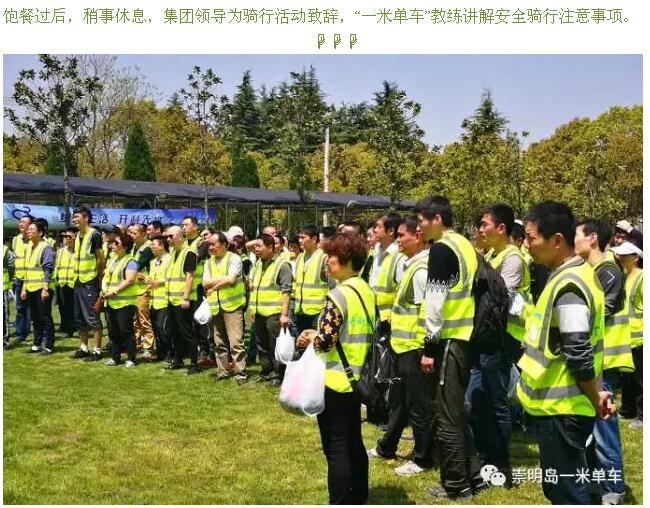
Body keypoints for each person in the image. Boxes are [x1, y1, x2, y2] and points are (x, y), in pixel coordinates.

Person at [516, 201, 610, 505]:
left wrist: (595, 396)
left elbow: (578, 351)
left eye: (531, 238)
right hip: (562, 406)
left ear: (556, 240)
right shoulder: (569, 275)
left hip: (562, 409)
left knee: (566, 491)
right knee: (564, 486)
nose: (526, 245)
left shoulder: (570, 284)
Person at [296, 232, 375, 505]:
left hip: (335, 380)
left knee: (336, 447)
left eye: (332, 256)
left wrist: (309, 337)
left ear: (347, 260)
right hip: (357, 376)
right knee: (354, 441)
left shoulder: (338, 295)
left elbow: (326, 342)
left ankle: (339, 500)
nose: (328, 261)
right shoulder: (365, 290)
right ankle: (359, 496)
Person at [415, 195, 485, 500]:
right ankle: (474, 476)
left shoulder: (442, 249)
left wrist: (429, 348)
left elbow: (435, 303)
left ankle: (457, 484)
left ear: (437, 219)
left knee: (446, 416)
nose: (418, 227)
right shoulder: (464, 245)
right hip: (464, 338)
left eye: (421, 221)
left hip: (448, 341)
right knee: (455, 412)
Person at [368, 215, 435, 476]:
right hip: (401, 345)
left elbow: (428, 314)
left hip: (413, 348)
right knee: (398, 401)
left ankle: (422, 458)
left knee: (418, 406)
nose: (398, 241)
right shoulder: (411, 265)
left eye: (401, 236)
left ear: (417, 237)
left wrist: (426, 350)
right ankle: (387, 446)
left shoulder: (421, 271)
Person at [472, 203, 532, 484]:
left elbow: (500, 296)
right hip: (486, 337)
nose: (480, 230)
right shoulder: (492, 254)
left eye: (485, 224)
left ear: (501, 228)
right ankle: (485, 453)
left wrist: (478, 263)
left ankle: (501, 464)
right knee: (478, 397)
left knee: (496, 399)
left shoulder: (513, 258)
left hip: (503, 338)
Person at [575, 219, 631, 504]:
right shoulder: (589, 270)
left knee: (605, 429)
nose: (573, 240)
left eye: (576, 234)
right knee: (592, 428)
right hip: (594, 360)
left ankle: (614, 487)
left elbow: (597, 312)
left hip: (605, 360)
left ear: (593, 238)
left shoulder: (608, 270)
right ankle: (596, 482)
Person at [203, 232, 248, 384]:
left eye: (213, 244)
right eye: (209, 245)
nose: (211, 247)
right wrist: (221, 280)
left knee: (236, 342)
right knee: (219, 342)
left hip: (233, 306)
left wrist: (214, 286)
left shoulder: (234, 258)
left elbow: (231, 279)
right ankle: (222, 371)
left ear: (224, 244)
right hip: (216, 306)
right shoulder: (208, 262)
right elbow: (204, 283)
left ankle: (240, 373)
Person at [249, 233, 292, 386]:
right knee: (262, 345)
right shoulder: (258, 264)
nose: (256, 249)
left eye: (259, 246)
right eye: (255, 246)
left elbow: (286, 291)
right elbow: (255, 288)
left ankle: (278, 375)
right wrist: (253, 309)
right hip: (259, 312)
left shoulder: (282, 265)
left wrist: (284, 314)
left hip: (274, 313)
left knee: (275, 346)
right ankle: (266, 372)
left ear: (270, 247)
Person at [612, 240, 643, 430]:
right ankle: (627, 409)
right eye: (620, 254)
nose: (620, 257)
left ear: (636, 257)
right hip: (626, 336)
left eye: (625, 255)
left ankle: (642, 415)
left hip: (639, 336)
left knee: (641, 378)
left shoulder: (642, 278)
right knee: (627, 377)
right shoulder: (624, 276)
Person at [70, 206, 105, 361]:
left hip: (90, 281)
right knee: (79, 317)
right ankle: (83, 347)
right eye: (74, 217)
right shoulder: (78, 235)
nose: (74, 220)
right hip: (78, 281)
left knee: (92, 316)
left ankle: (97, 350)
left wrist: (98, 278)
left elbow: (100, 259)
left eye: (77, 217)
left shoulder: (94, 235)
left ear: (86, 218)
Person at [165, 225, 200, 374]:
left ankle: (194, 363)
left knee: (187, 332)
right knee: (174, 331)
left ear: (180, 236)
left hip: (183, 300)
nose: (168, 239)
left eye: (171, 236)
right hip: (172, 299)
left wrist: (185, 297)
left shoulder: (189, 253)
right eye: (167, 237)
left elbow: (189, 276)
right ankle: (178, 358)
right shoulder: (173, 252)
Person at [102, 234, 139, 368]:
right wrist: (105, 289)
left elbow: (129, 280)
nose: (113, 245)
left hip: (125, 303)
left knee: (126, 331)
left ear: (125, 246)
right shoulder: (114, 259)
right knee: (113, 331)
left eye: (116, 243)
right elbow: (106, 276)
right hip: (111, 302)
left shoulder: (131, 261)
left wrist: (115, 291)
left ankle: (131, 358)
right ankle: (115, 357)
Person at [21, 219, 56, 355]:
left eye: (32, 229)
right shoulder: (30, 246)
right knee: (35, 317)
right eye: (28, 229)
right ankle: (36, 344)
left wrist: (45, 288)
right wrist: (24, 288)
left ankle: (49, 345)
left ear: (40, 233)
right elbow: (28, 269)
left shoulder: (45, 248)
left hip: (42, 289)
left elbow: (48, 269)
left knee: (45, 317)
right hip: (30, 287)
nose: (28, 231)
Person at [292, 224, 329, 335]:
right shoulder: (300, 257)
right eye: (299, 237)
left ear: (314, 239)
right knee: (301, 342)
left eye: (303, 237)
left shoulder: (324, 257)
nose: (300, 240)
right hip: (300, 311)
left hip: (317, 311)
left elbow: (332, 284)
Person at [370, 212, 405, 327]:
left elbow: (401, 290)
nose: (375, 230)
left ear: (390, 231)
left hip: (388, 317)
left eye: (379, 227)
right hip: (373, 311)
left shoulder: (398, 255)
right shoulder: (376, 250)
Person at [128, 223, 155, 359]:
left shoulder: (148, 248)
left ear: (143, 233)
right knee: (135, 320)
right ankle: (137, 344)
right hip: (134, 288)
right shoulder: (134, 247)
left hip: (144, 288)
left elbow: (138, 265)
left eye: (134, 233)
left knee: (144, 320)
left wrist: (128, 270)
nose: (131, 236)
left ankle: (148, 347)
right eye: (130, 233)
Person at [146, 235, 172, 362]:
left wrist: (159, 282)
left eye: (153, 245)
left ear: (162, 246)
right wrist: (146, 281)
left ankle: (169, 353)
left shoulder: (170, 259)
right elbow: (151, 278)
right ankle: (161, 353)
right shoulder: (153, 262)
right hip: (153, 300)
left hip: (165, 300)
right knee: (156, 328)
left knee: (163, 327)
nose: (151, 247)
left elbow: (171, 277)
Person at [11, 214, 34, 345]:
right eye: (20, 221)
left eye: (24, 222)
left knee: (34, 308)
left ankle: (40, 334)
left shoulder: (35, 240)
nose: (21, 223)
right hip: (19, 278)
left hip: (32, 278)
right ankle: (20, 333)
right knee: (20, 308)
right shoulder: (15, 240)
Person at [55, 228, 76, 338]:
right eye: (65, 237)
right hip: (62, 283)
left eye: (70, 237)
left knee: (73, 308)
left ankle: (72, 328)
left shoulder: (78, 252)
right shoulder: (60, 252)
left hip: (74, 283)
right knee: (63, 307)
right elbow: (57, 267)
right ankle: (66, 327)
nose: (67, 239)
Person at [3, 242, 15, 348]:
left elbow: (11, 268)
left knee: (4, 315)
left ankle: (4, 340)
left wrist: (10, 284)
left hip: (3, 288)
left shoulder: (5, 250)